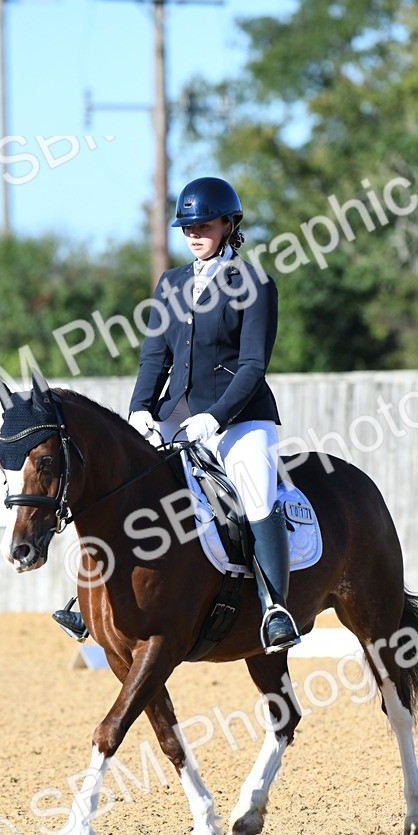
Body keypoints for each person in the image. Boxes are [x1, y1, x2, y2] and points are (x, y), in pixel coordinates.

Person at [54, 175, 300, 654]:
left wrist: (217, 418)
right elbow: (154, 358)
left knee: (254, 491)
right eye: (186, 226)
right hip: (174, 414)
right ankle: (86, 595)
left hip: (241, 415)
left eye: (204, 225)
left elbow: (253, 366)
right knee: (129, 486)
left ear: (230, 225)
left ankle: (275, 608)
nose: (193, 233)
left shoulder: (254, 284)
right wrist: (140, 409)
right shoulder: (172, 283)